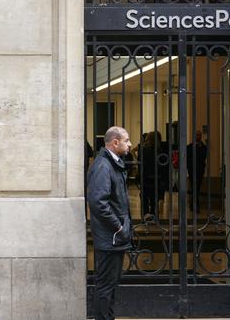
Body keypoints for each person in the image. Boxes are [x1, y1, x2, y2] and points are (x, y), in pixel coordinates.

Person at [87, 126, 133, 320]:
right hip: (110, 237)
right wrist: (119, 226)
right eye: (127, 140)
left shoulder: (113, 163)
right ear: (115, 142)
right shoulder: (103, 166)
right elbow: (98, 202)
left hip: (114, 237)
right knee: (106, 286)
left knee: (110, 285)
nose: (130, 144)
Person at [139, 131, 169, 221]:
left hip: (146, 177)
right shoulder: (162, 151)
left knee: (144, 196)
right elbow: (165, 165)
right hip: (158, 178)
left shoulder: (144, 150)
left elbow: (141, 163)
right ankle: (153, 215)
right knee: (153, 198)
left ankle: (146, 214)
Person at [186, 130, 207, 211]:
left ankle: (193, 204)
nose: (198, 137)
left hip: (200, 170)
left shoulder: (204, 147)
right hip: (192, 170)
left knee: (197, 187)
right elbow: (188, 159)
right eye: (196, 135)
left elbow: (203, 157)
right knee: (195, 187)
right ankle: (195, 205)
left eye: (199, 135)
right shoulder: (189, 147)